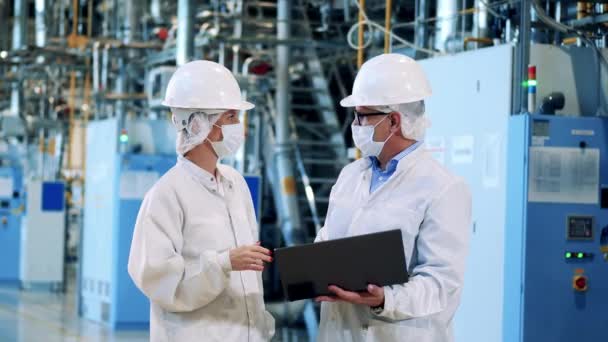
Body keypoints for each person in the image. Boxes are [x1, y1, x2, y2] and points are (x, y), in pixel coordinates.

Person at [315, 53, 472, 342]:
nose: (355, 124)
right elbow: (326, 241)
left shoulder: (443, 188)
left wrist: (383, 298)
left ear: (394, 121)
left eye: (362, 115)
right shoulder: (351, 175)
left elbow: (441, 282)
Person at [128, 60, 275, 342]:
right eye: (231, 117)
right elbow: (159, 281)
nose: (239, 128)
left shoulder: (236, 184)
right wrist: (223, 263)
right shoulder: (166, 195)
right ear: (200, 124)